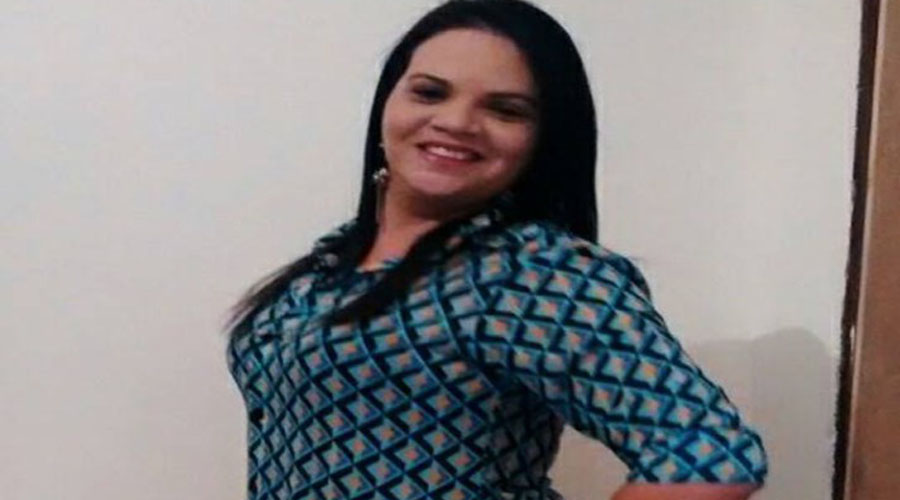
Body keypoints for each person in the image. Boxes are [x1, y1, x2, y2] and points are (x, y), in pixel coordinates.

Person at [226, 1, 768, 499]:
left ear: (542, 138)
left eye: (506, 110)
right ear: (387, 102)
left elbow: (711, 457)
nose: (457, 122)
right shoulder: (329, 267)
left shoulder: (530, 271)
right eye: (430, 93)